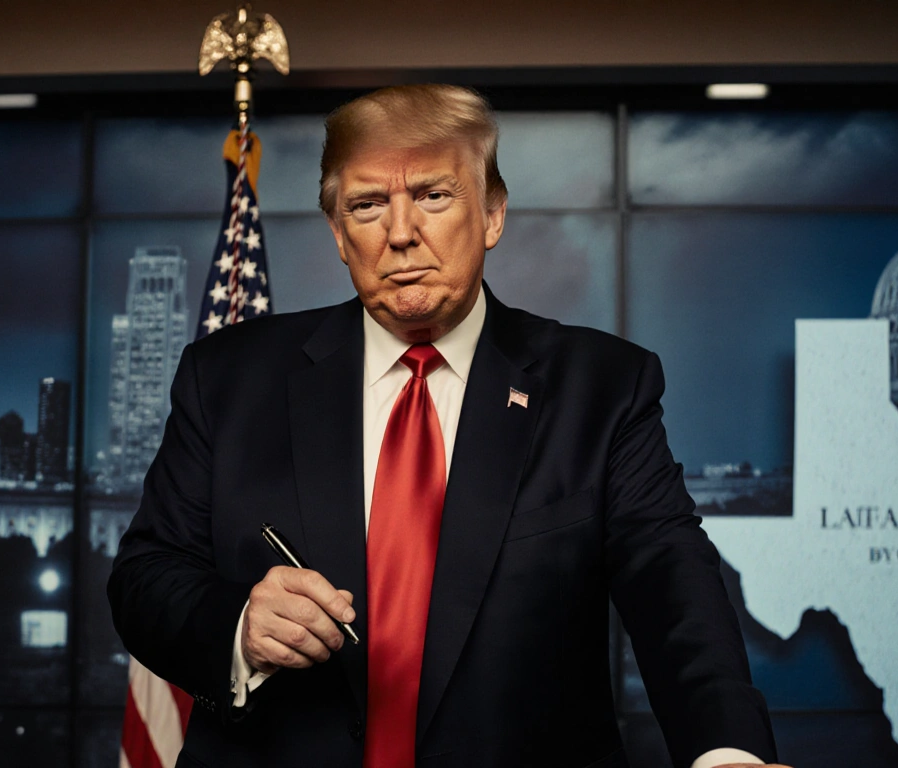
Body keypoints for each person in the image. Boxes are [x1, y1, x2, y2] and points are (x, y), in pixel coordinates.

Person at [109, 84, 780, 768]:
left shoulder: (603, 388)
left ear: (492, 214)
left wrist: (728, 753)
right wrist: (240, 626)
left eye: (432, 195)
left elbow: (673, 586)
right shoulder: (226, 379)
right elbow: (145, 576)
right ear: (340, 235)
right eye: (367, 205)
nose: (400, 233)